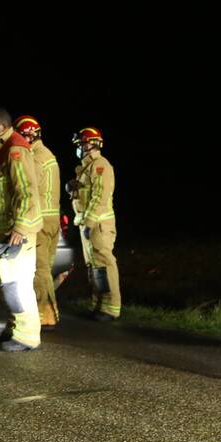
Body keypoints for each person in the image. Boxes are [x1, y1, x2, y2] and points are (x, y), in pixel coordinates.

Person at [0, 108, 43, 351]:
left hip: (15, 230)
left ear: (3, 126)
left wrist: (20, 227)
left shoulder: (15, 150)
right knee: (4, 282)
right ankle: (14, 327)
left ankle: (27, 335)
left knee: (16, 283)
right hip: (1, 228)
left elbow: (26, 191)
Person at [14, 115, 62, 330]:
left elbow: (29, 186)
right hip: (52, 220)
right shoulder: (47, 154)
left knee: (39, 270)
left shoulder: (35, 157)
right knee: (45, 270)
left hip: (41, 221)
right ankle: (49, 313)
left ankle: (46, 316)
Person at [71, 127, 120, 321]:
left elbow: (100, 197)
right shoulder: (86, 167)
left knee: (104, 264)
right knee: (93, 265)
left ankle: (111, 307)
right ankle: (97, 304)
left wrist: (89, 223)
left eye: (81, 144)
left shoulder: (101, 165)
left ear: (91, 144)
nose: (80, 148)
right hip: (88, 223)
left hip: (99, 224)